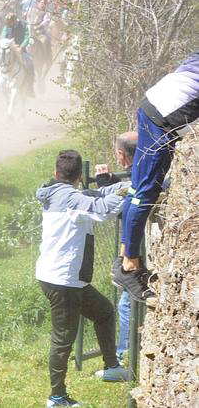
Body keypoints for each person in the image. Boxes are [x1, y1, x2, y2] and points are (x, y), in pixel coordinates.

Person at [36, 149, 131, 408]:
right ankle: (57, 398)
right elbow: (103, 209)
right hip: (63, 280)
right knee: (63, 339)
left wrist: (111, 184)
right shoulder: (72, 200)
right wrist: (132, 190)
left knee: (104, 312)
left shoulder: (59, 193)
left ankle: (111, 367)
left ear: (56, 173)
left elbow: (97, 196)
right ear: (80, 175)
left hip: (63, 277)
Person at [113, 52, 199, 304]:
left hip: (152, 103)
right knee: (146, 193)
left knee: (137, 189)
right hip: (165, 118)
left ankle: (123, 256)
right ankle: (130, 266)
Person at [93, 131, 137, 363]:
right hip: (136, 250)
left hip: (134, 253)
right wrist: (111, 182)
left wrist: (104, 184)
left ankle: (125, 354)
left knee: (126, 304)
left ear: (121, 155)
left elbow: (114, 204)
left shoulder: (138, 177)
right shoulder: (151, 169)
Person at [0, 12, 35, 97]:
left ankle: (30, 87)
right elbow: (3, 35)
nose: (8, 24)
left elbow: (27, 38)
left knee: (30, 62)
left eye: (10, 22)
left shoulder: (23, 25)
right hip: (8, 49)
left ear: (14, 20)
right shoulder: (7, 26)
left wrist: (21, 47)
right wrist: (4, 43)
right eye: (7, 22)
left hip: (20, 50)